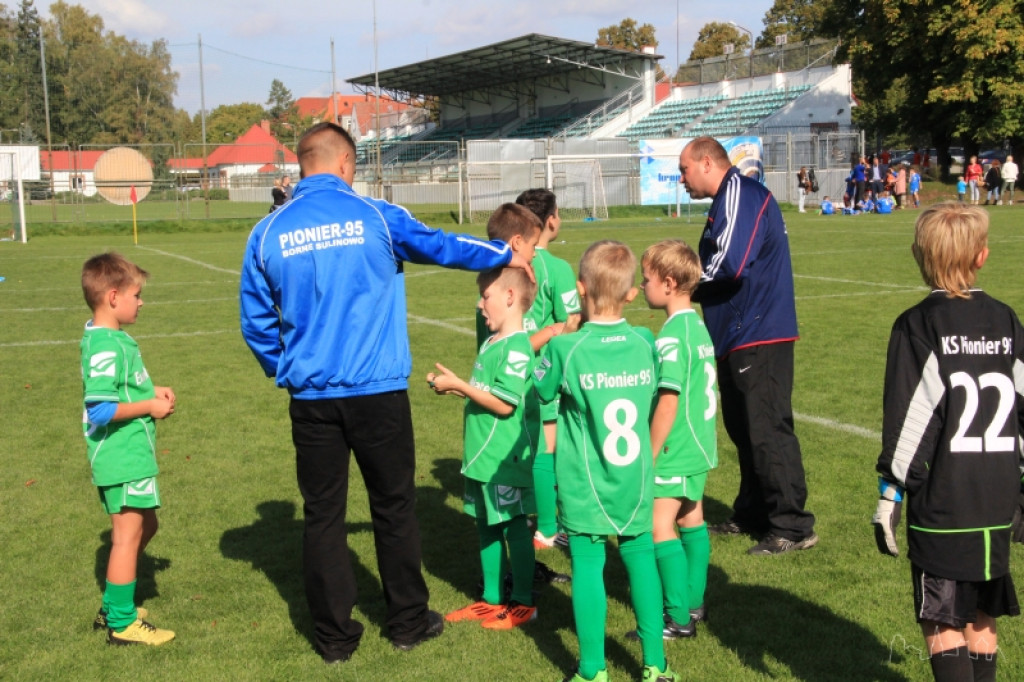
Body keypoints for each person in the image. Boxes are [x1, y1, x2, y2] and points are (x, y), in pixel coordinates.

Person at [239, 122, 533, 663]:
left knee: (323, 514)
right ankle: (406, 623)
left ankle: (333, 639)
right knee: (394, 507)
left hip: (311, 399)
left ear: (304, 166)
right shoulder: (374, 214)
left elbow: (256, 321)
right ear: (347, 164)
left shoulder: (267, 232)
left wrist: (287, 369)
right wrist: (500, 251)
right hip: (378, 392)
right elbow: (441, 245)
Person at [872, 202, 1023, 682]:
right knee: (981, 612)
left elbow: (910, 419)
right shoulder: (1006, 320)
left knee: (942, 617)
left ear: (921, 255)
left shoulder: (918, 325)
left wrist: (891, 490)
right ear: (982, 256)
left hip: (946, 502)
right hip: (998, 499)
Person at [534, 240, 680, 682]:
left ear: (580, 289)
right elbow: (658, 396)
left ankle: (594, 669)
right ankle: (656, 664)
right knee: (641, 564)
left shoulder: (567, 349)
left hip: (584, 483)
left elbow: (540, 389)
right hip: (635, 478)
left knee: (588, 570)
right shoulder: (644, 341)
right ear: (632, 293)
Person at [677, 136, 817, 556]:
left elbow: (731, 262)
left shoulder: (738, 192)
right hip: (737, 332)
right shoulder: (725, 200)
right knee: (744, 428)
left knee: (767, 427)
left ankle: (792, 525)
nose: (680, 179)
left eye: (684, 170)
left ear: (706, 162)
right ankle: (755, 512)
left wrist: (683, 285)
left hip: (758, 331)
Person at [428, 266, 539, 630]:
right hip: (480, 457)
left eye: (485, 295)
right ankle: (492, 599)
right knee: (487, 527)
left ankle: (523, 601)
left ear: (509, 297)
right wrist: (455, 386)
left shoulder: (519, 346)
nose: (479, 304)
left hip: (502, 459)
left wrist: (460, 383)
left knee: (513, 526)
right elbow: (486, 394)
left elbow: (505, 404)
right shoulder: (493, 342)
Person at [80, 252, 176, 646]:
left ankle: (113, 602)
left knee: (145, 526)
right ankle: (121, 622)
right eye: (137, 295)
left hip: (133, 453)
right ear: (113, 296)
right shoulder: (104, 345)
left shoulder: (113, 337)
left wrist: (149, 391)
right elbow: (100, 408)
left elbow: (119, 388)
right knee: (128, 535)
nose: (141, 302)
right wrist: (149, 407)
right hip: (121, 457)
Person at [640, 239, 718, 636]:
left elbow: (668, 402)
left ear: (668, 283)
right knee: (692, 516)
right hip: (699, 441)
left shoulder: (670, 337)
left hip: (674, 445)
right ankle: (693, 600)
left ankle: (677, 617)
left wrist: (649, 454)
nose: (641, 286)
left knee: (659, 526)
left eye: (647, 279)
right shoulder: (698, 326)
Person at [514, 188, 581, 550]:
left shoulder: (507, 261)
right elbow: (570, 324)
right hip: (543, 374)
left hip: (508, 369)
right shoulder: (556, 268)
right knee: (545, 450)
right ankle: (549, 528)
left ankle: (520, 516)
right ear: (550, 220)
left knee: (517, 447)